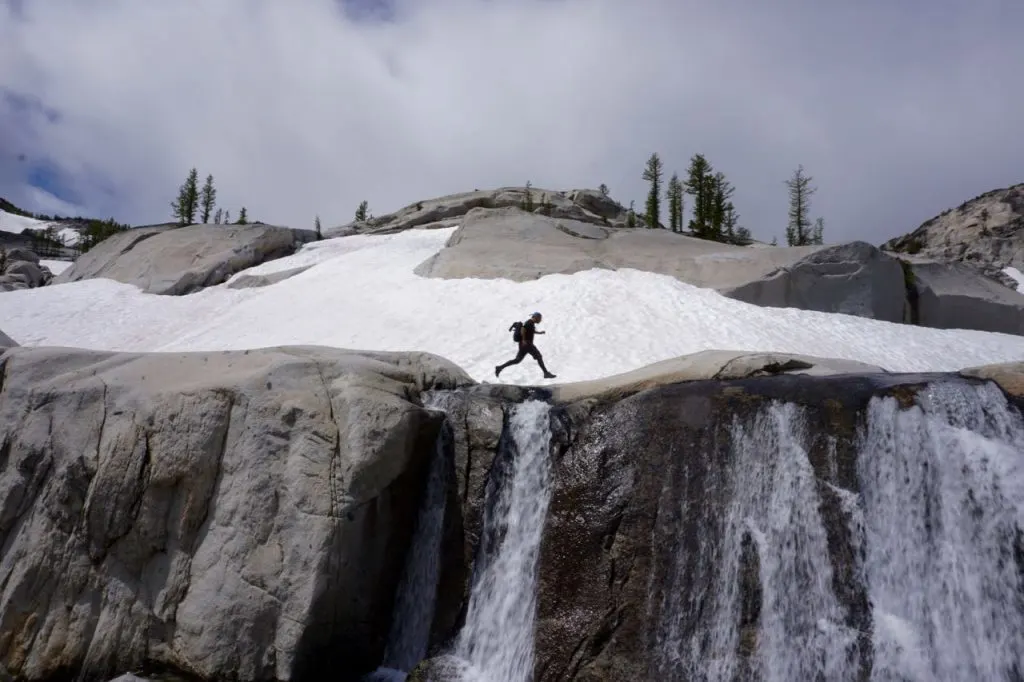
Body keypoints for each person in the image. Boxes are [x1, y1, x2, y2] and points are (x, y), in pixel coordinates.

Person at [495, 312, 556, 379]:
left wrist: (539, 332)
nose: (540, 320)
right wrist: (524, 340)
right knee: (539, 356)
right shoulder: (529, 322)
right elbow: (523, 329)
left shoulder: (530, 323)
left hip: (524, 345)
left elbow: (530, 331)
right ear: (535, 317)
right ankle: (546, 373)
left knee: (517, 360)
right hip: (527, 344)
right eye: (539, 318)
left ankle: (499, 367)